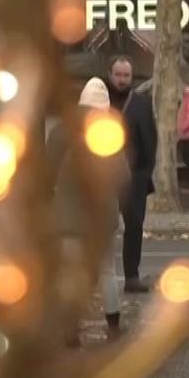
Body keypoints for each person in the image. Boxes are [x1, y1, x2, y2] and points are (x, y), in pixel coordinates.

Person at [51, 77, 124, 342]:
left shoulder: (61, 131)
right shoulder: (109, 133)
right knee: (108, 270)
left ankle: (71, 330)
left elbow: (47, 170)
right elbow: (123, 177)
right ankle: (113, 326)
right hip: (102, 216)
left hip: (68, 215)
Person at [107, 55, 157, 293]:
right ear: (110, 75)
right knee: (100, 227)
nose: (122, 79)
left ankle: (131, 276)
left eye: (126, 75)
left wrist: (145, 174)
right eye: (118, 74)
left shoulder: (141, 103)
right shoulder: (101, 101)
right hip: (103, 177)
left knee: (134, 226)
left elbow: (150, 139)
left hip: (134, 176)